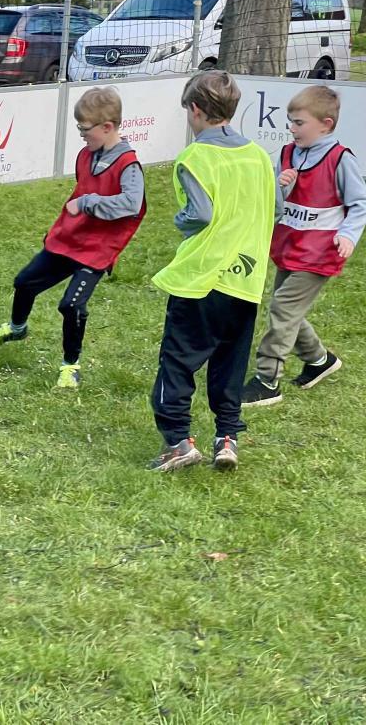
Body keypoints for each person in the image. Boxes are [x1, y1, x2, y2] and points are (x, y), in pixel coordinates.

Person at [148, 70, 279, 473]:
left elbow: (199, 215)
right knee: (230, 364)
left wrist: (182, 220)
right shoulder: (258, 155)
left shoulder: (195, 157)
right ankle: (227, 437)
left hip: (202, 280)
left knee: (177, 363)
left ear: (196, 110)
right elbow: (273, 208)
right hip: (246, 279)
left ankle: (177, 441)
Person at [0, 86, 145, 388]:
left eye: (85, 130)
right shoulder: (87, 155)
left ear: (107, 127)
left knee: (71, 305)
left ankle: (71, 366)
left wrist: (87, 203)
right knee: (24, 282)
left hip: (97, 250)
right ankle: (16, 328)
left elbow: (131, 204)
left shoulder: (128, 165)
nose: (82, 136)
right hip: (70, 239)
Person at [241, 85, 365, 407]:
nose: (291, 129)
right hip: (290, 246)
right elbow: (277, 202)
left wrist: (348, 235)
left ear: (326, 124)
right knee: (285, 309)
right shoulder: (287, 154)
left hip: (320, 252)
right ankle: (319, 359)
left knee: (283, 308)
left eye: (299, 123)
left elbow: (360, 204)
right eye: (290, 122)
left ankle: (268, 380)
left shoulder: (341, 160)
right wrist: (281, 187)